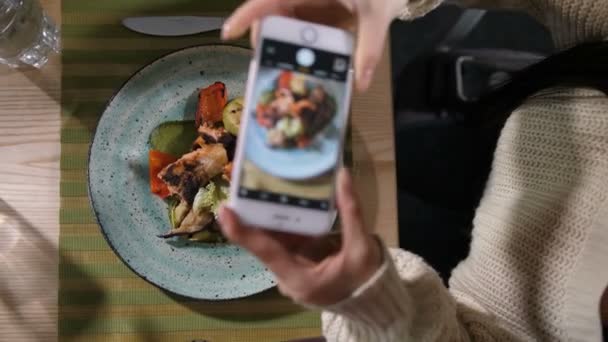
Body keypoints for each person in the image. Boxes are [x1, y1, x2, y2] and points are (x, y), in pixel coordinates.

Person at [219, 0, 608, 340]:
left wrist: (373, 304)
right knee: (416, 135)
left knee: (415, 159)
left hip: (475, 199)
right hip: (508, 125)